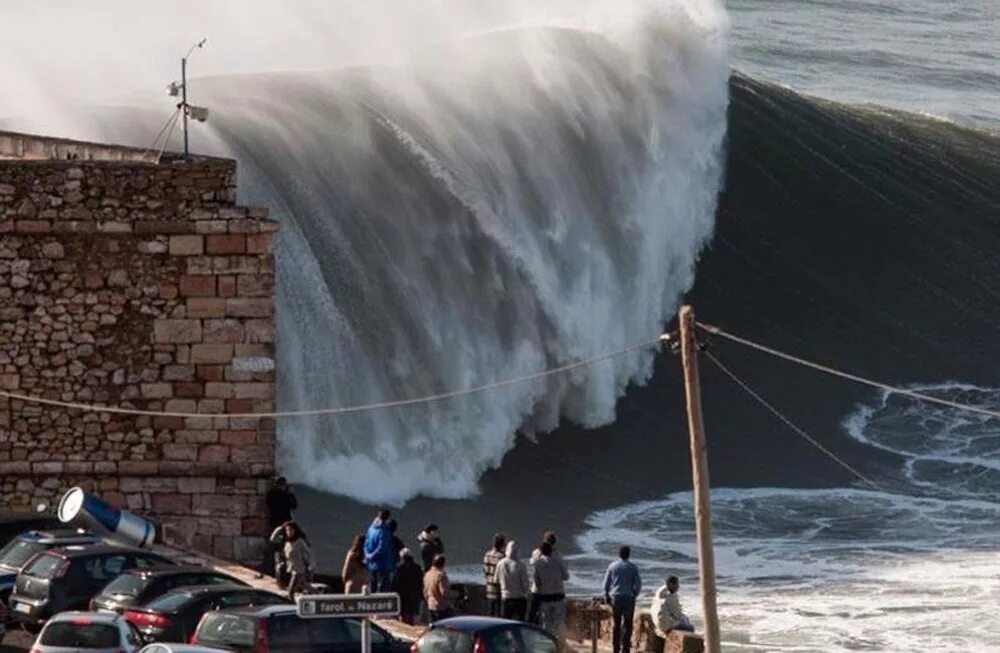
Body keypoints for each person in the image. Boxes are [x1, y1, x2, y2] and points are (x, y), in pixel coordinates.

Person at [603, 546, 643, 653]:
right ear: (629, 554)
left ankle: (616, 649)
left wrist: (607, 595)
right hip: (629, 598)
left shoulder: (612, 566)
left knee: (616, 624)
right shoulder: (633, 567)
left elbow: (606, 583)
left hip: (616, 597)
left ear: (619, 554)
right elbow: (638, 584)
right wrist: (635, 594)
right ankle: (625, 649)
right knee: (628, 624)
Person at [532, 540, 569, 639]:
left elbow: (537, 582)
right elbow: (566, 576)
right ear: (551, 550)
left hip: (545, 598)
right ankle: (561, 646)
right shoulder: (558, 561)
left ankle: (548, 646)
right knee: (559, 624)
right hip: (558, 596)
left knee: (546, 625)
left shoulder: (538, 563)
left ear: (541, 551)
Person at [262, 477, 297, 576]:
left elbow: (269, 504)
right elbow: (294, 505)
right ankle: (283, 571)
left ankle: (272, 569)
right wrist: (290, 493)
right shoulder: (285, 495)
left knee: (274, 546)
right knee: (284, 547)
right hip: (284, 524)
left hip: (274, 523)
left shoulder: (271, 494)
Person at [494, 540, 530, 621]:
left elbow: (496, 580)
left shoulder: (500, 563)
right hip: (519, 598)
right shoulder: (521, 565)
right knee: (520, 623)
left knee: (505, 622)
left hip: (506, 598)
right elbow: (525, 584)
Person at [364, 509, 395, 592]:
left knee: (372, 588)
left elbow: (366, 544)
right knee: (383, 590)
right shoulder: (384, 531)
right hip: (382, 565)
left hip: (371, 564)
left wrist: (368, 555)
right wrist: (373, 555)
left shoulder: (371, 529)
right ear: (388, 518)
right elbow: (382, 548)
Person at [283, 521, 315, 600]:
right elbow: (273, 539)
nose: (289, 532)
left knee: (291, 591)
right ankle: (318, 595)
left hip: (299, 569)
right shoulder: (287, 542)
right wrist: (279, 530)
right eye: (287, 530)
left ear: (295, 530)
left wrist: (311, 565)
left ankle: (291, 604)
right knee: (303, 585)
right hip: (292, 568)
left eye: (290, 530)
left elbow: (309, 553)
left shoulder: (299, 542)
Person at [392, 548, 424, 625]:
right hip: (415, 597)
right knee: (414, 617)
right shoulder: (417, 567)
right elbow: (421, 582)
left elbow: (394, 584)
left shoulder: (399, 569)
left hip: (403, 598)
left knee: (405, 619)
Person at [423, 554, 457, 622]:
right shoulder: (441, 575)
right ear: (443, 564)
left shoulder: (427, 574)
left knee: (433, 628)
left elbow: (425, 591)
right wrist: (456, 594)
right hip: (442, 608)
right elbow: (444, 592)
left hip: (431, 606)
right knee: (452, 626)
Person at [483, 532, 507, 617]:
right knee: (498, 615)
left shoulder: (487, 554)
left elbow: (485, 572)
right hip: (499, 590)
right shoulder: (502, 556)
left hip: (489, 589)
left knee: (490, 614)